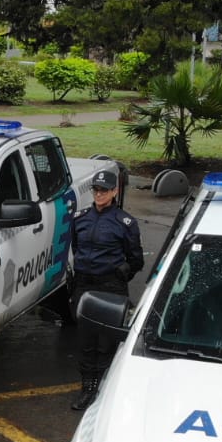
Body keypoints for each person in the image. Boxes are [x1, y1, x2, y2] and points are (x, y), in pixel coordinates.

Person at [69, 168, 143, 411]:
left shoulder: (125, 223)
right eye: (96, 190)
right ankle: (87, 388)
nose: (99, 194)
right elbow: (76, 247)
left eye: (104, 190)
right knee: (84, 340)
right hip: (84, 284)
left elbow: (136, 259)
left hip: (110, 285)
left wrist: (123, 272)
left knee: (106, 342)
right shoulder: (80, 218)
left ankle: (104, 390)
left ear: (114, 191)